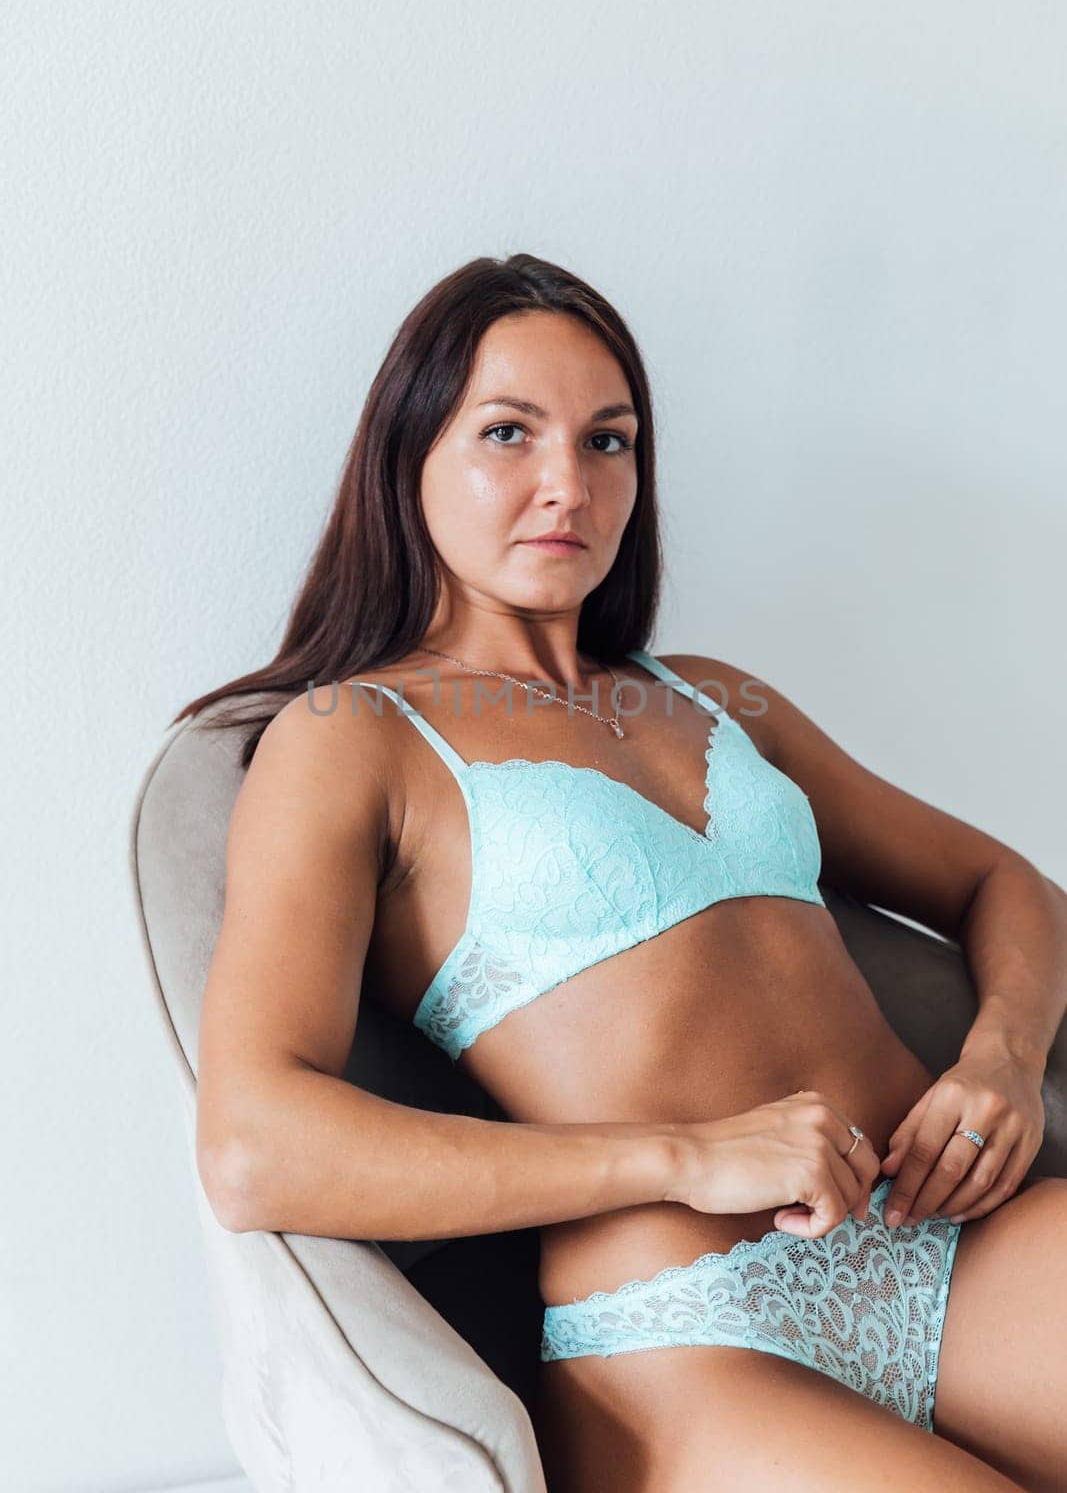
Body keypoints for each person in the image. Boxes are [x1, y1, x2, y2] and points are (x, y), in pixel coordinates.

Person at [185, 253, 1067, 1492]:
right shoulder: (348, 739)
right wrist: (687, 1154)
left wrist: (1002, 1061)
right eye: (508, 433)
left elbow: (1002, 882)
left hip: (945, 1250)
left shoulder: (714, 695)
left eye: (608, 442)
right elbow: (253, 1141)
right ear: (407, 460)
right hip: (684, 1335)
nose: (567, 485)